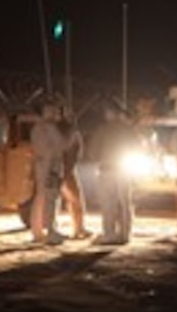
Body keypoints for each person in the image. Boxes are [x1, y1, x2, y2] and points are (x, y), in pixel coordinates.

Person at [80, 101, 137, 245]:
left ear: (108, 113)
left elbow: (93, 152)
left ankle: (109, 233)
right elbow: (137, 147)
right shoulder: (128, 130)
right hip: (125, 169)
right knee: (125, 202)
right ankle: (125, 233)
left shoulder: (103, 130)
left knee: (108, 203)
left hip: (107, 169)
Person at [28, 101, 69, 245]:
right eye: (50, 110)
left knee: (40, 198)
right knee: (51, 198)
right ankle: (51, 231)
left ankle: (37, 231)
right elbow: (63, 145)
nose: (54, 113)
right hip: (50, 165)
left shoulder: (37, 128)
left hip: (43, 165)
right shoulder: (49, 127)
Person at [58, 112, 91, 239]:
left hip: (63, 169)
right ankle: (79, 228)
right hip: (67, 170)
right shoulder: (72, 135)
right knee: (76, 200)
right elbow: (75, 154)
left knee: (69, 200)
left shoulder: (61, 134)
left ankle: (78, 228)